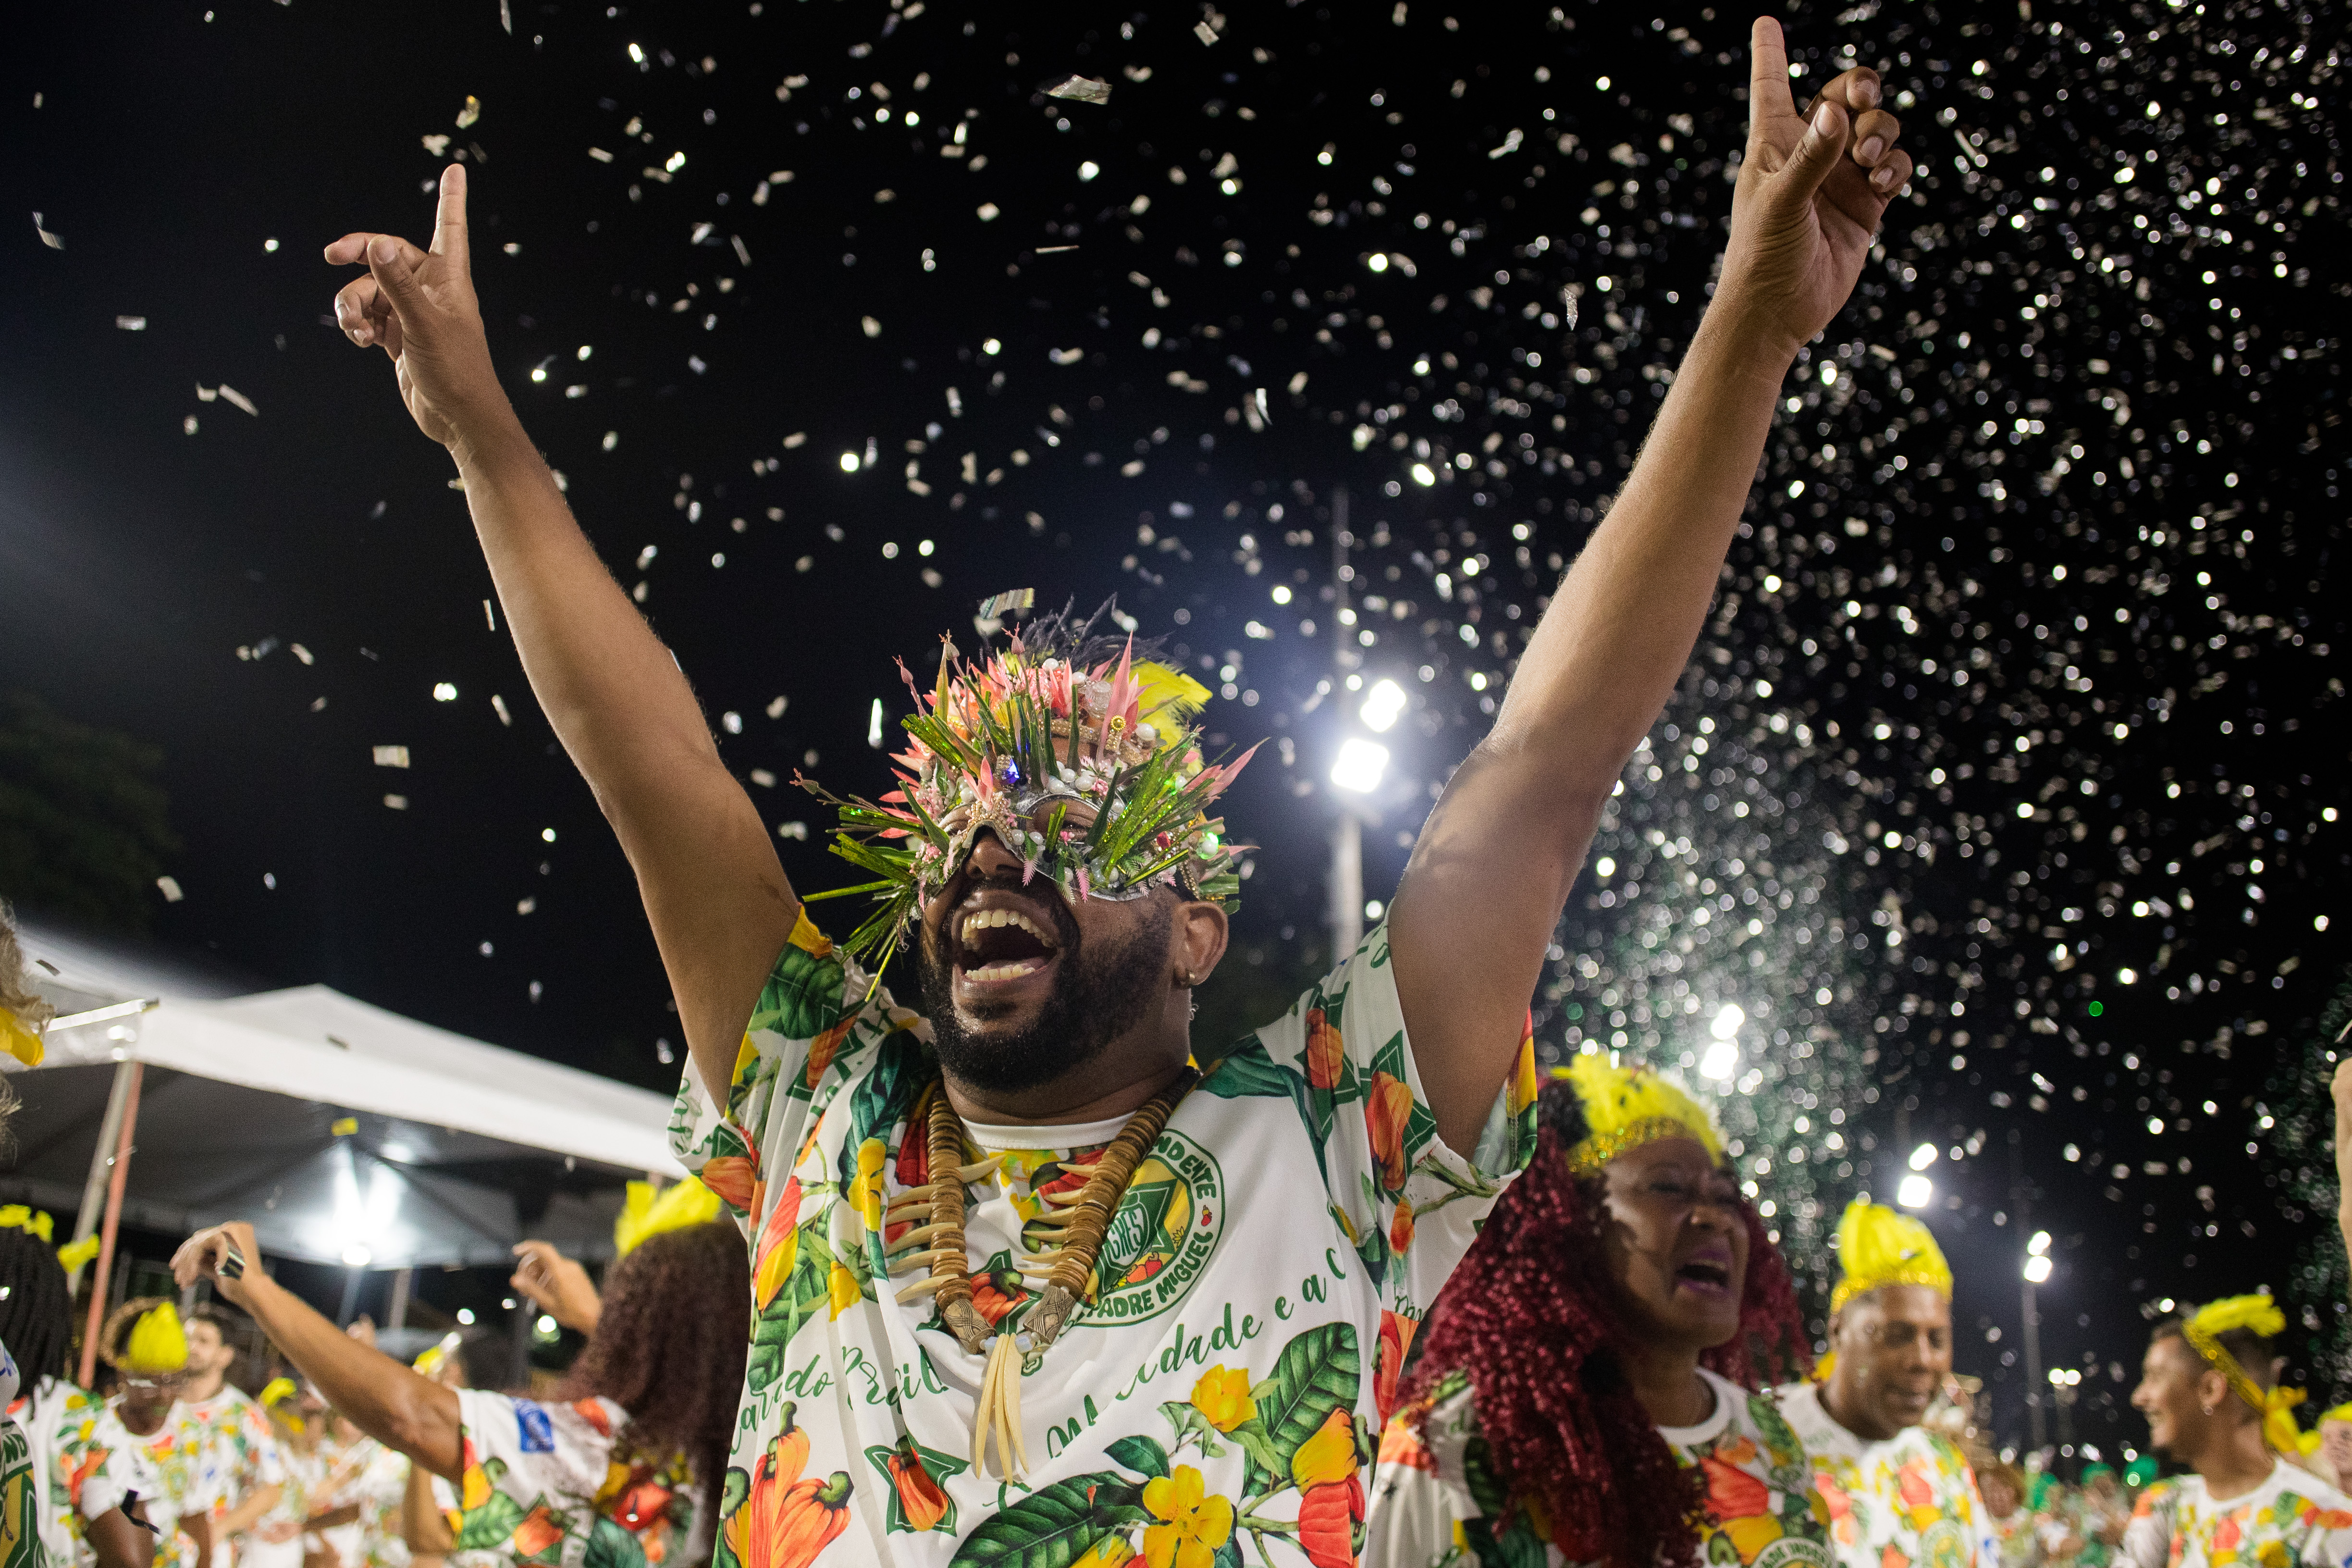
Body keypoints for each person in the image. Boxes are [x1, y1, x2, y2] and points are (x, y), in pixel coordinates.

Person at [320, 8, 1916, 1556]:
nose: (989, 853)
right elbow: (656, 767)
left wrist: (1746, 328)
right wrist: (481, 436)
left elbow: (1540, 769)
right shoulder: (827, 1106)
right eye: (955, 830)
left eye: (1064, 823)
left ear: (1199, 929)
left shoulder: (1331, 1131)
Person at [1365, 1058, 1826, 1568]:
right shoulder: (1447, 1447)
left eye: (1725, 1196)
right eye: (1667, 1187)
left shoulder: (1769, 1438)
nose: (1713, 1216)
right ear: (1566, 1221)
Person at [171, 1217, 746, 1568]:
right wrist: (597, 1318)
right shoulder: (749, 1452)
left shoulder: (619, 1456)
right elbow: (697, 1370)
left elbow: (412, 1415)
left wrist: (258, 1289)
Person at [1777, 1201, 1998, 1568]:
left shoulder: (1946, 1468)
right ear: (1838, 1331)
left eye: (1938, 1340)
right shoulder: (1758, 1441)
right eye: (1896, 1335)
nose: (1923, 1360)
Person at [2122, 1295, 2352, 1568]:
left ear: (2210, 1390)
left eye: (2156, 1377)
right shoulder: (2162, 1507)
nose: (2139, 1397)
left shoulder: (2326, 1521)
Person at [1981, 1463, 2042, 1568]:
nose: (1996, 1496)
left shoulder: (2031, 1522)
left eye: (2001, 1489)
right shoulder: (1983, 1523)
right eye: (1991, 1491)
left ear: (2014, 1491)